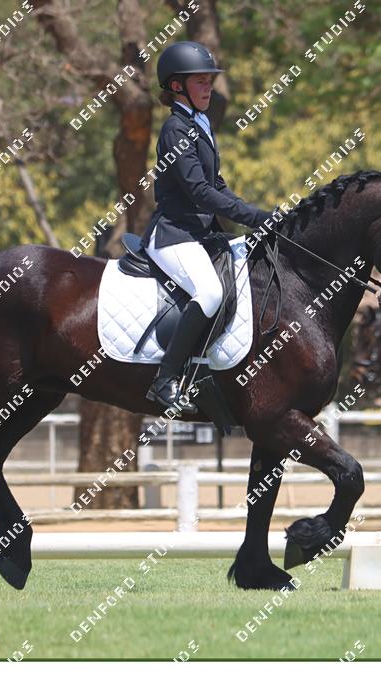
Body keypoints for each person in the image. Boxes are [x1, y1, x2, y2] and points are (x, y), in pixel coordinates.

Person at [141, 41, 275, 412]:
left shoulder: (200, 124)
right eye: (200, 81)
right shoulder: (175, 129)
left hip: (199, 234)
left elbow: (216, 184)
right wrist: (253, 217)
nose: (208, 87)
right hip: (173, 234)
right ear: (177, 86)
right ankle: (164, 381)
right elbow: (199, 191)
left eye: (209, 80)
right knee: (210, 293)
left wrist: (257, 214)